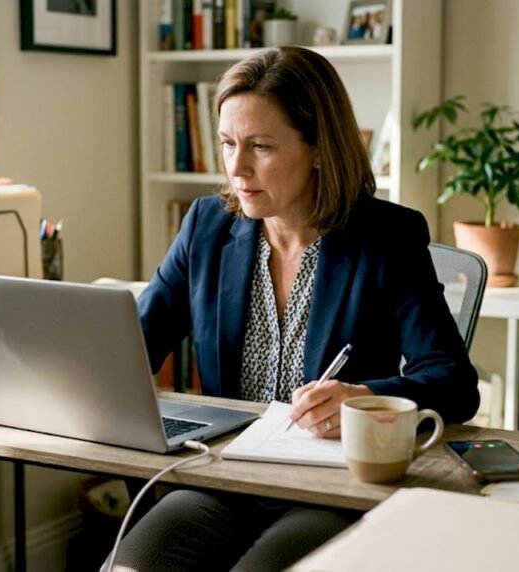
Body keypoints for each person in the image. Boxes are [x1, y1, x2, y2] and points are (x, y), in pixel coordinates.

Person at [110, 46, 479, 571]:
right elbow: (133, 347)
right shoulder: (206, 227)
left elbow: (452, 382)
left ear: (320, 149)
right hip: (226, 477)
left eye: (260, 146)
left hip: (328, 486)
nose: (237, 167)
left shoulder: (388, 238)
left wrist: (364, 397)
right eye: (227, 143)